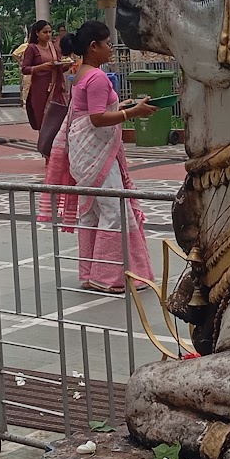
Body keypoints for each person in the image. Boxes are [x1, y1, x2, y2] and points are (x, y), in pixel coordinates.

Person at [42, 20, 156, 293]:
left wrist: (123, 106)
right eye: (107, 44)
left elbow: (91, 111)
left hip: (83, 155)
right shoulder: (97, 77)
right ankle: (107, 276)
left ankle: (92, 272)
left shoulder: (82, 73)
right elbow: (96, 118)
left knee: (92, 212)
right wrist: (132, 113)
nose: (111, 50)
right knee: (115, 211)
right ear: (94, 47)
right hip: (96, 155)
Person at [20, 20, 69, 132]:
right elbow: (25, 69)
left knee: (59, 119)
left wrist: (67, 65)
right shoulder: (32, 48)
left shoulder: (54, 47)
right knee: (43, 119)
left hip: (56, 87)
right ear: (37, 33)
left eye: (50, 32)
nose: (48, 35)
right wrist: (41, 67)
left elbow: (59, 65)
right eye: (45, 32)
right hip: (40, 89)